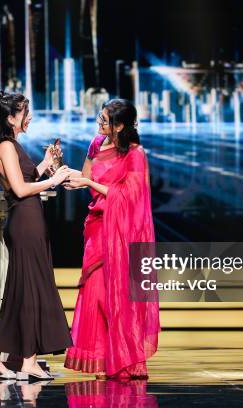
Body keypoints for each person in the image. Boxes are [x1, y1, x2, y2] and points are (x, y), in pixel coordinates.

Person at [0, 91, 73, 380]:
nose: (29, 116)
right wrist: (53, 180)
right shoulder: (7, 146)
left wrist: (45, 164)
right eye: (25, 112)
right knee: (31, 289)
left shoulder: (12, 145)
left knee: (24, 291)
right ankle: (27, 361)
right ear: (10, 118)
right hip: (25, 221)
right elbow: (19, 189)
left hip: (30, 219)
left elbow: (25, 178)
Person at [64, 99, 159, 379]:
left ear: (120, 125)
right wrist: (60, 169)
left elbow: (131, 196)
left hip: (123, 232)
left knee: (120, 297)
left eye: (105, 120)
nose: (99, 123)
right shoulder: (96, 144)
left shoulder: (135, 154)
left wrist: (90, 184)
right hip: (97, 229)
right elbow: (84, 178)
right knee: (97, 295)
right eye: (100, 118)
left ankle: (128, 360)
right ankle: (105, 359)